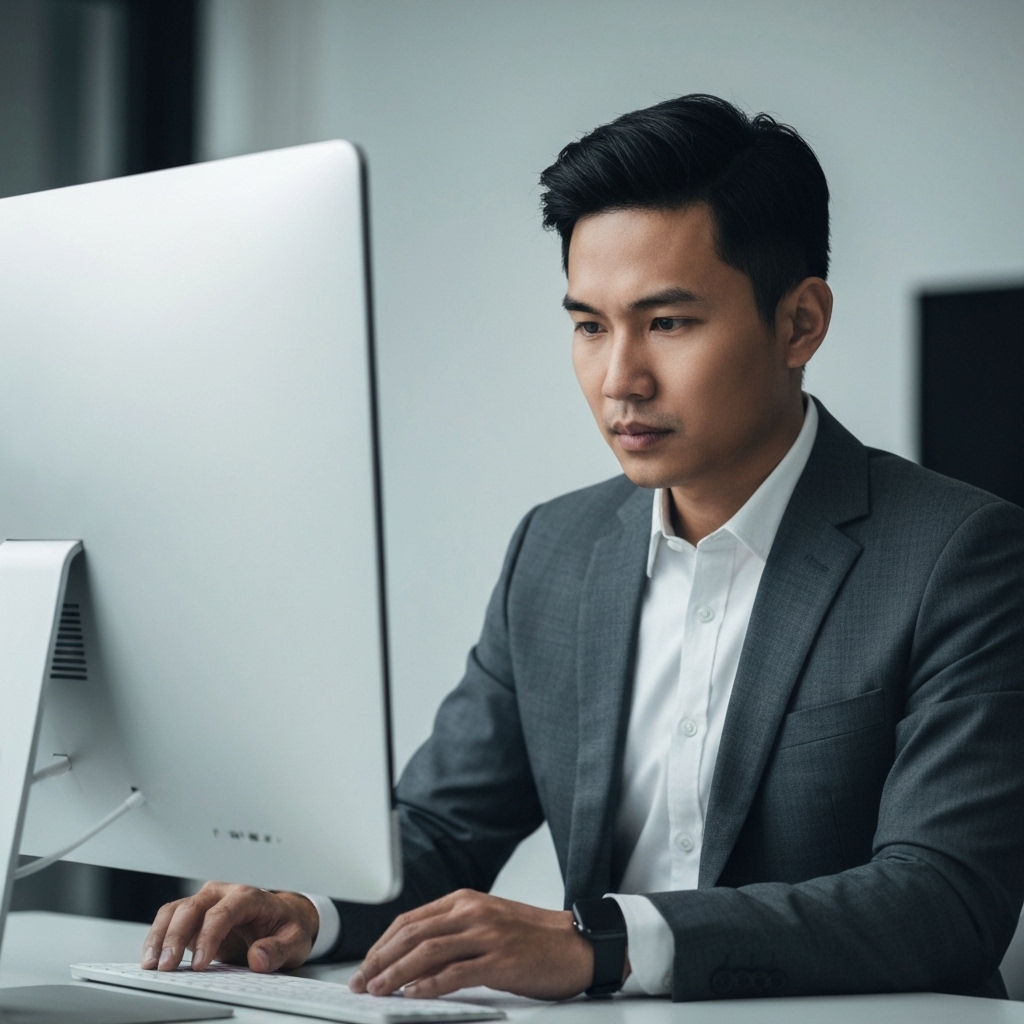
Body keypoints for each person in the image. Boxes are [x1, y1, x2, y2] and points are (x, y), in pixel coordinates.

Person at [141, 95, 1024, 1003]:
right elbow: (444, 828)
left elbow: (944, 897)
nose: (619, 380)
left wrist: (601, 943)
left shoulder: (958, 556)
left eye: (668, 323)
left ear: (800, 323)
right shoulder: (555, 550)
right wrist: (306, 907)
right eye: (591, 325)